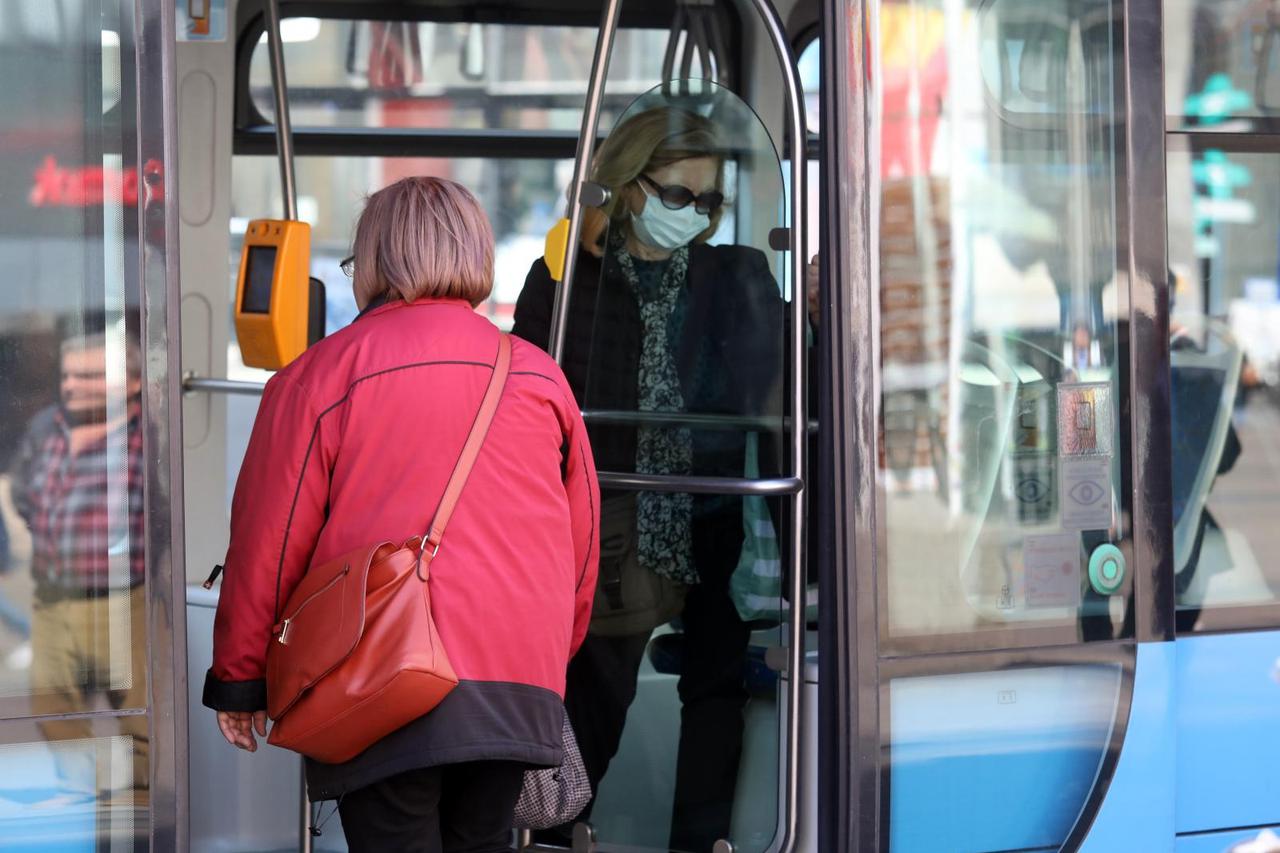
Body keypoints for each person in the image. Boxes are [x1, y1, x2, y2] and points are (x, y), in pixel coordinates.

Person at [202, 177, 600, 853]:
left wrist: (241, 679)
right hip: (517, 679)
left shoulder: (320, 376)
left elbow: (269, 543)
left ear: (375, 262)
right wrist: (541, 660)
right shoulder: (538, 376)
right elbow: (581, 543)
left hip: (384, 672)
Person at [514, 106, 792, 851]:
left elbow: (775, 377)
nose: (693, 216)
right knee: (596, 696)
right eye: (677, 196)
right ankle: (551, 831)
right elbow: (529, 396)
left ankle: (698, 844)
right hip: (613, 524)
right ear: (626, 186)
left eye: (707, 201)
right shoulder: (568, 283)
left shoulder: (732, 275)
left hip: (711, 511)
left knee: (716, 696)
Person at [9, 330, 148, 806]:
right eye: (67, 375)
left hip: (123, 596)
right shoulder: (47, 424)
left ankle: (141, 804)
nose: (72, 385)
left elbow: (167, 512)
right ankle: (80, 799)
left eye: (89, 376)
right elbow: (25, 491)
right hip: (53, 595)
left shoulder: (148, 435)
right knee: (52, 704)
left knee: (138, 714)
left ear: (131, 384)